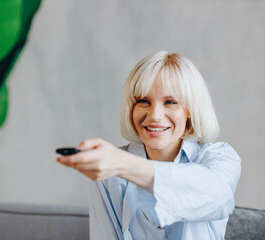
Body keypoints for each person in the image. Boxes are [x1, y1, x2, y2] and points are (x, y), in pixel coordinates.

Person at [56, 51, 241, 240]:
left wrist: (122, 165)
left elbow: (217, 195)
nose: (155, 115)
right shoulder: (109, 174)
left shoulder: (219, 157)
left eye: (170, 102)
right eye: (143, 101)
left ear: (190, 111)